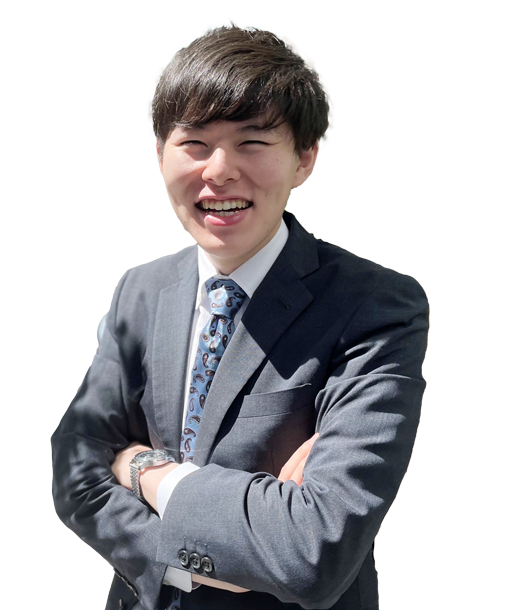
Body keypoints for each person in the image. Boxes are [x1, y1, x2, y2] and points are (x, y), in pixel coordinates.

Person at [51, 26, 428, 610]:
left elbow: (313, 549)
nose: (219, 170)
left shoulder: (374, 307)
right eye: (194, 142)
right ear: (161, 154)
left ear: (305, 157)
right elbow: (74, 463)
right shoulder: (141, 291)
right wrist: (178, 557)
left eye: (252, 141)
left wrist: (141, 468)